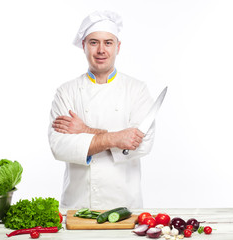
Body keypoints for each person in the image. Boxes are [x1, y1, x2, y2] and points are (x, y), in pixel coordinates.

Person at [48, 10, 155, 209]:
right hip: (78, 205)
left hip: (126, 205)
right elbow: (59, 146)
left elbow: (142, 143)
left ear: (118, 47)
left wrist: (85, 131)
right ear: (84, 46)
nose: (101, 50)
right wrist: (116, 138)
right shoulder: (66, 92)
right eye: (93, 42)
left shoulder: (137, 90)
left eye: (108, 42)